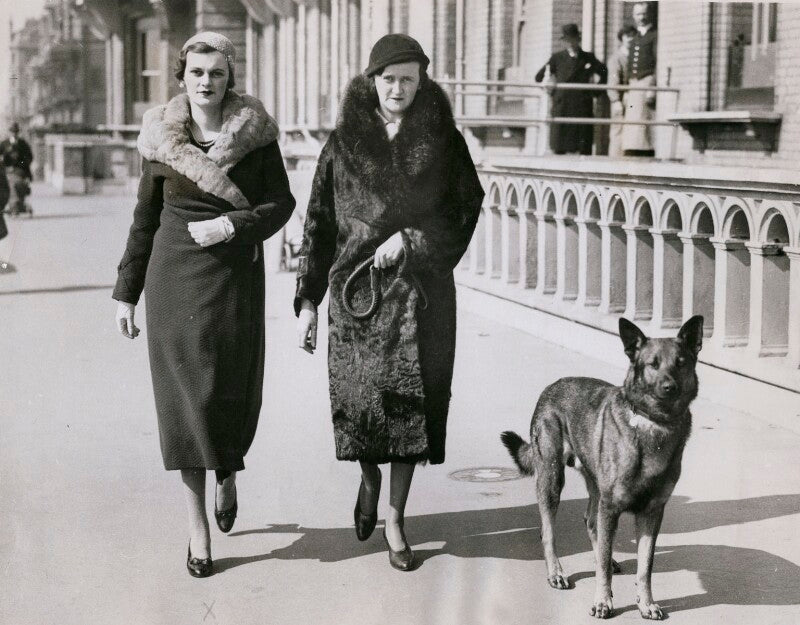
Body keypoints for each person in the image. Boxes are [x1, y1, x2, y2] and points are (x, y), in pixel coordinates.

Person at [294, 34, 484, 571]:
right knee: (361, 410)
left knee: (409, 414)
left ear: (422, 82)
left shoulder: (444, 141)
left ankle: (396, 519)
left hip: (421, 299)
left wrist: (413, 240)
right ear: (372, 81)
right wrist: (308, 301)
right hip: (356, 301)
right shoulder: (342, 143)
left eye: (408, 79)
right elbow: (318, 223)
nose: (398, 88)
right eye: (389, 78)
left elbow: (466, 208)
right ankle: (368, 478)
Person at [112, 32, 295, 578]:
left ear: (229, 77)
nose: (206, 81)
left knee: (227, 392)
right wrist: (126, 293)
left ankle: (228, 471)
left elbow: (281, 202)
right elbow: (144, 219)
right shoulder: (160, 138)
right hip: (173, 280)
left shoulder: (256, 135)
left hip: (233, 278)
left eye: (216, 72)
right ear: (183, 77)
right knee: (184, 405)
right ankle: (198, 532)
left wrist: (234, 225)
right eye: (196, 72)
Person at [535, 24, 607, 155]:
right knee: (560, 145)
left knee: (583, 146)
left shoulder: (588, 57)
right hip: (562, 106)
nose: (570, 43)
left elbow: (604, 73)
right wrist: (550, 90)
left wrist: (594, 92)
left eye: (573, 39)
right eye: (567, 40)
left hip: (582, 106)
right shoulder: (557, 58)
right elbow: (539, 77)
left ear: (578, 39)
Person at [623, 2, 657, 156]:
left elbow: (657, 62)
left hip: (646, 80)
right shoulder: (635, 37)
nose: (641, 17)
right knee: (632, 119)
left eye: (644, 14)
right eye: (638, 14)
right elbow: (630, 65)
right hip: (634, 82)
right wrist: (626, 89)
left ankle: (644, 149)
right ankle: (632, 148)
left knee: (643, 117)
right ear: (633, 16)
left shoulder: (654, 35)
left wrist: (652, 86)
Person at [607, 25, 637, 157]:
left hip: (634, 98)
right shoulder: (617, 58)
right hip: (621, 98)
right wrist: (615, 100)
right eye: (627, 36)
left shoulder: (636, 56)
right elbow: (613, 81)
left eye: (633, 36)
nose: (630, 39)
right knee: (618, 129)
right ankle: (615, 159)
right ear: (622, 38)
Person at [1, 122, 34, 216]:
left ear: (18, 132)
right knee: (8, 183)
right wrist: (5, 165)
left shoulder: (23, 144)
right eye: (12, 132)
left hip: (20, 171)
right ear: (9, 132)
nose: (14, 134)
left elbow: (29, 158)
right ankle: (15, 205)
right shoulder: (4, 144)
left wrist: (20, 165)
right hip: (6, 171)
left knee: (14, 183)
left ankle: (14, 205)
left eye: (16, 132)